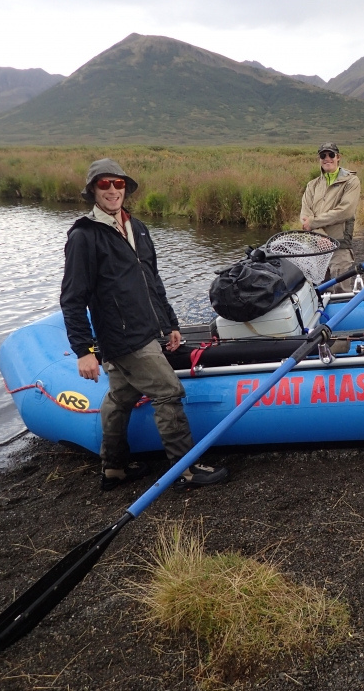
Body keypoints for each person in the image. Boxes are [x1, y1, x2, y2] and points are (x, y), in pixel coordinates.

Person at [60, 158, 228, 491]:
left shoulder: (137, 228)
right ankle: (186, 469)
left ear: (126, 188)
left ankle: (114, 468)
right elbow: (72, 299)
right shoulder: (84, 236)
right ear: (93, 189)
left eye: (118, 184)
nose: (112, 191)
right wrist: (83, 351)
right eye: (104, 184)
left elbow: (152, 279)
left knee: (121, 397)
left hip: (147, 329)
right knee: (168, 391)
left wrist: (170, 323)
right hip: (122, 338)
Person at [300, 142, 361, 292]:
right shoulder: (312, 185)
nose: (327, 159)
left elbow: (345, 211)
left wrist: (314, 222)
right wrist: (320, 236)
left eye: (331, 155)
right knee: (317, 292)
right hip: (317, 245)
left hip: (340, 245)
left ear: (338, 157)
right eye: (323, 156)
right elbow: (305, 215)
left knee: (341, 291)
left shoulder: (351, 181)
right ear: (319, 159)